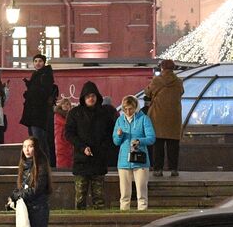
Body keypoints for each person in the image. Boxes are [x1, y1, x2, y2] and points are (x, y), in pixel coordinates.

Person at [65, 81, 116, 209]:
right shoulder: (75, 113)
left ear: (97, 97)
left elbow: (111, 133)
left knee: (99, 198)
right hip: (81, 160)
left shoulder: (105, 113)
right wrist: (82, 147)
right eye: (88, 96)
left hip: (99, 160)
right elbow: (69, 134)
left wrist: (104, 148)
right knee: (80, 197)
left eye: (93, 96)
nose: (91, 98)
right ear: (83, 98)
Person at [11, 138, 52, 227]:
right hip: (26, 209)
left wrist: (17, 195)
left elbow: (36, 190)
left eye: (30, 146)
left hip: (38, 209)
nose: (27, 150)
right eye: (24, 147)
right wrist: (15, 196)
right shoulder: (24, 166)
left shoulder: (41, 166)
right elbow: (21, 188)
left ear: (36, 148)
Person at [114, 94, 156, 210]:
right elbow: (116, 142)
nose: (127, 111)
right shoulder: (119, 120)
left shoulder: (144, 119)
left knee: (142, 191)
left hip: (140, 159)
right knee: (124, 193)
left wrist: (139, 141)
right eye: (125, 109)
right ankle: (124, 211)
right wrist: (119, 136)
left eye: (130, 108)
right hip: (123, 160)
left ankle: (142, 211)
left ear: (136, 107)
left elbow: (151, 138)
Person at [145, 59, 184, 176]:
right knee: (173, 144)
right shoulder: (178, 82)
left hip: (158, 116)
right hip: (174, 117)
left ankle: (158, 169)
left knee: (158, 145)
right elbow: (181, 92)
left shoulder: (156, 80)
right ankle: (173, 169)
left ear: (162, 68)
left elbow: (147, 92)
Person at [21, 53, 58, 165]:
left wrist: (30, 91)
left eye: (40, 61)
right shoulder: (37, 74)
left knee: (38, 140)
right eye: (36, 61)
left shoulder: (45, 75)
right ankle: (39, 163)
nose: (38, 63)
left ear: (44, 62)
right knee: (35, 139)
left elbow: (42, 92)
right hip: (34, 113)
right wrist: (29, 85)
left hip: (38, 113)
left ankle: (43, 164)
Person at [53, 95, 74, 170]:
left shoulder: (70, 115)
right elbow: (66, 123)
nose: (66, 105)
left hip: (68, 140)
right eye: (64, 103)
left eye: (68, 104)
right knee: (62, 159)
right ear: (60, 105)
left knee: (69, 158)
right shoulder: (57, 115)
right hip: (60, 141)